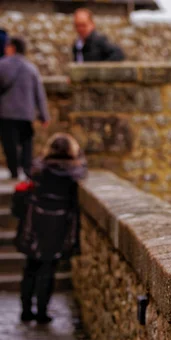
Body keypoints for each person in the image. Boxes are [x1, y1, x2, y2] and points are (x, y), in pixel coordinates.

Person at [14, 133, 87, 324]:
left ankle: (26, 310)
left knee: (30, 267)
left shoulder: (39, 168)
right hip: (58, 223)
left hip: (35, 220)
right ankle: (42, 312)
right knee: (48, 269)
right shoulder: (73, 173)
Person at [0, 37, 50, 179]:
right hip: (26, 113)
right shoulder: (31, 68)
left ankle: (14, 170)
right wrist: (44, 115)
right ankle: (27, 170)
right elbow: (39, 94)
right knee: (27, 143)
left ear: (12, 48)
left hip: (7, 112)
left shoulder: (2, 65)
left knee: (9, 144)